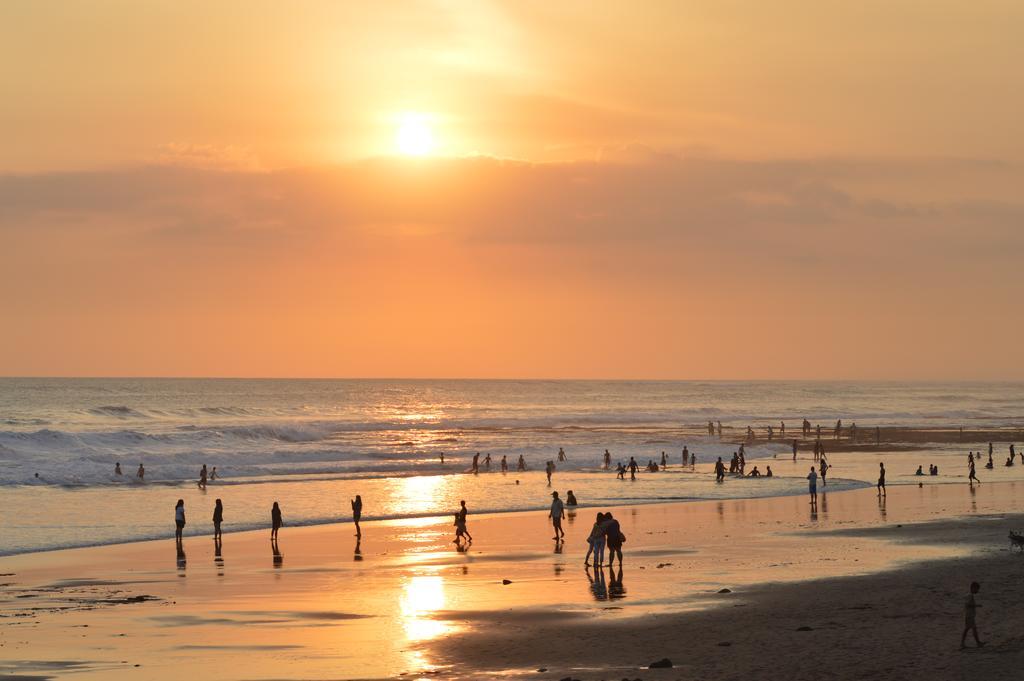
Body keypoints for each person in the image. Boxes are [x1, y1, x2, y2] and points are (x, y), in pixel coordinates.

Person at [960, 582, 985, 649]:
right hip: (969, 616)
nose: (977, 591)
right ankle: (977, 643)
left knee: (970, 629)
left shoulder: (969, 595)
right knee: (971, 629)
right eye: (976, 589)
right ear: (973, 588)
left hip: (969, 615)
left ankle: (976, 642)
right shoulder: (970, 595)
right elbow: (967, 604)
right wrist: (977, 605)